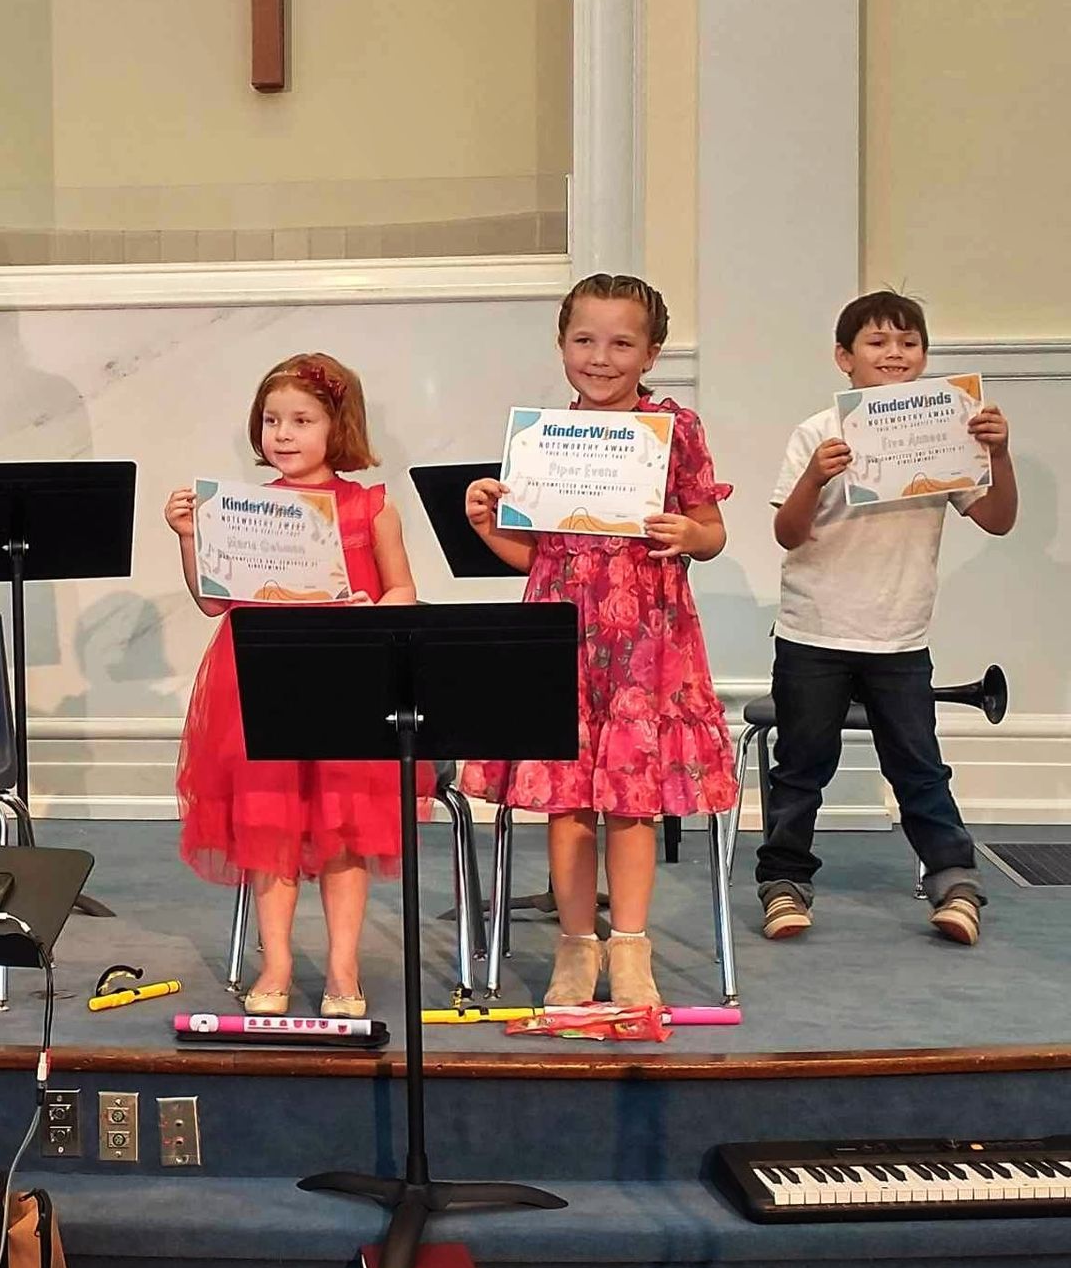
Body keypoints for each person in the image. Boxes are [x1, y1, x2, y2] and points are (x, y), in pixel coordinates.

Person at [462, 274, 736, 1006]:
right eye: (584, 340)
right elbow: (540, 556)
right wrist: (488, 526)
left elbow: (711, 529)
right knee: (567, 797)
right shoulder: (546, 439)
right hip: (562, 632)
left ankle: (631, 949)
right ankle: (576, 948)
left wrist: (690, 534)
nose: (601, 356)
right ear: (561, 345)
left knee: (633, 799)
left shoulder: (675, 429)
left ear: (651, 353)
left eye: (622, 343)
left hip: (648, 637)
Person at [166, 353, 427, 1017]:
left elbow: (402, 588)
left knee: (344, 830)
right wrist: (191, 538)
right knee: (270, 825)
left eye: (301, 420)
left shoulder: (370, 507)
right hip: (259, 677)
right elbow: (212, 603)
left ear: (338, 427)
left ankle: (343, 969)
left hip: (346, 678)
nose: (282, 434)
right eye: (271, 420)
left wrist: (376, 611)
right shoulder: (244, 509)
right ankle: (276, 962)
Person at [755, 291, 1018, 946]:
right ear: (845, 358)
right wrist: (816, 477)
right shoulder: (817, 432)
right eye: (877, 343)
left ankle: (954, 880)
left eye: (909, 343)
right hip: (813, 631)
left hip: (900, 634)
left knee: (919, 765)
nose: (895, 354)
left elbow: (998, 519)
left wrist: (1001, 454)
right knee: (800, 766)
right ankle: (784, 884)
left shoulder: (948, 428)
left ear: (924, 355)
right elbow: (787, 533)